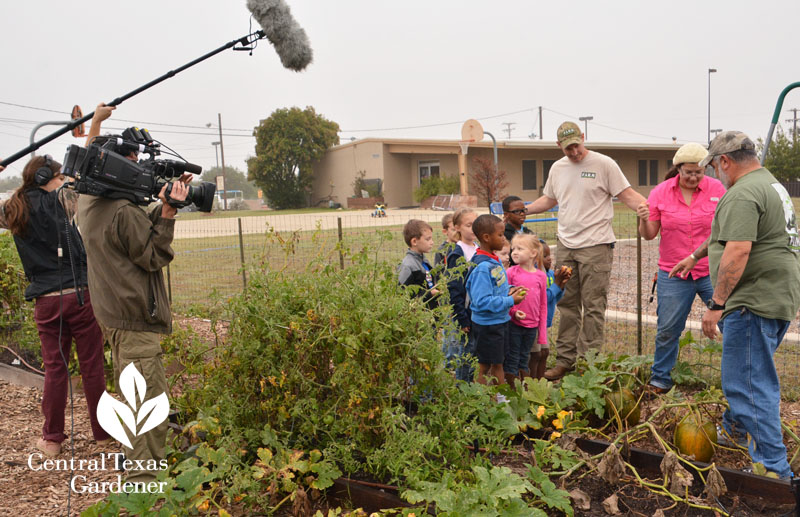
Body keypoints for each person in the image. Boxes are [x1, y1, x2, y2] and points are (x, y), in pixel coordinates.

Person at [672, 131, 800, 479]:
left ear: (725, 161)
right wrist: (696, 255)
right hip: (776, 295)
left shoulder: (742, 193)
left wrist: (716, 304)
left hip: (751, 300)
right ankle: (734, 431)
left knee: (747, 384)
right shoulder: (770, 184)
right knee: (752, 372)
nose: (715, 173)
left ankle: (772, 470)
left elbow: (739, 249)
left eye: (713, 166)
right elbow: (727, 236)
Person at [77, 115, 191, 483]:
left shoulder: (88, 201)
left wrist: (94, 123)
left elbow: (128, 233)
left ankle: (137, 466)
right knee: (148, 405)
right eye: (131, 161)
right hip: (134, 318)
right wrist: (169, 213)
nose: (137, 168)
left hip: (111, 314)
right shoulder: (123, 212)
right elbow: (152, 255)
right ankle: (142, 484)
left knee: (133, 396)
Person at [0, 104, 115, 458]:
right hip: (80, 297)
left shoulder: (12, 210)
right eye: (57, 177)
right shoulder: (63, 200)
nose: (63, 180)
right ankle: (102, 434)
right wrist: (94, 124)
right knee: (93, 367)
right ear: (45, 180)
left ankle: (51, 440)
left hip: (46, 303)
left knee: (55, 370)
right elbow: (87, 163)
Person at [525, 121, 648, 380]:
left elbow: (627, 195)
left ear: (583, 137)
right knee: (567, 305)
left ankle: (587, 363)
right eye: (567, 148)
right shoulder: (557, 168)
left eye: (576, 146)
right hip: (567, 246)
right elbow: (550, 199)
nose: (573, 152)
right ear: (558, 146)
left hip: (596, 246)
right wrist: (524, 210)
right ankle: (565, 361)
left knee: (593, 306)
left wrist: (648, 208)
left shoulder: (604, 164)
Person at [637, 143, 726, 394]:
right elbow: (649, 235)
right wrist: (643, 219)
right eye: (688, 172)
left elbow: (724, 229)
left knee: (730, 323)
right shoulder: (661, 192)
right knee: (668, 329)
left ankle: (735, 382)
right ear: (678, 169)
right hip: (673, 273)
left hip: (711, 270)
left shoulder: (718, 189)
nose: (694, 177)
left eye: (699, 172)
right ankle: (660, 379)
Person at [465, 214, 526, 386]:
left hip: (499, 321)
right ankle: (488, 400)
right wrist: (510, 301)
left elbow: (496, 288)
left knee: (498, 362)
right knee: (485, 365)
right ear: (486, 237)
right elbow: (481, 301)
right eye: (500, 235)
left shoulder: (494, 260)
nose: (504, 238)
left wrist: (510, 291)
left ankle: (496, 399)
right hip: (488, 326)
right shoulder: (483, 267)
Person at [505, 234, 548, 384]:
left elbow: (543, 306)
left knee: (525, 358)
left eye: (520, 249)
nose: (514, 252)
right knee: (513, 358)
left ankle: (524, 391)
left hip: (532, 327)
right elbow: (505, 297)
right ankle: (510, 391)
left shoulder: (541, 277)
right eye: (513, 249)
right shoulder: (511, 272)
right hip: (514, 325)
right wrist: (514, 312)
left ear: (533, 253)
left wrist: (542, 336)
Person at [445, 208, 478, 381]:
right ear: (457, 227)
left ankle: (472, 385)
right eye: (468, 225)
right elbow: (454, 288)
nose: (473, 228)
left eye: (475, 224)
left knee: (476, 352)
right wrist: (461, 317)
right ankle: (462, 387)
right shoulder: (457, 254)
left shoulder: (479, 249)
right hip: (467, 312)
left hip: (480, 310)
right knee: (466, 351)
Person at [531, 239, 571, 378]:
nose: (550, 259)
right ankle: (531, 382)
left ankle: (540, 381)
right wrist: (557, 284)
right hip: (533, 322)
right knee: (535, 354)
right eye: (545, 256)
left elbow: (555, 298)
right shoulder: (534, 276)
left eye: (549, 255)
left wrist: (561, 285)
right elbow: (543, 299)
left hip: (544, 322)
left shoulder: (549, 275)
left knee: (544, 353)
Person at [398, 219, 439, 308]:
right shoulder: (407, 266)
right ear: (414, 242)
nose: (432, 242)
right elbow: (402, 295)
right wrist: (429, 294)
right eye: (428, 239)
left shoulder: (424, 260)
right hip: (418, 316)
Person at [502, 196, 535, 266]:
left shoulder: (529, 233)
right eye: (517, 211)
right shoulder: (503, 235)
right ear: (506, 214)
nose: (522, 214)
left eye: (523, 210)